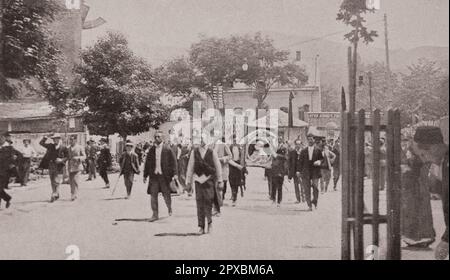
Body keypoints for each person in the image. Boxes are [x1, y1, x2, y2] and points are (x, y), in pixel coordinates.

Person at [410, 126, 448, 260]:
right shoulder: (443, 163)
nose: (424, 160)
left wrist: (446, 240)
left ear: (433, 148)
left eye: (422, 155)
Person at [400, 136, 436, 248]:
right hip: (421, 186)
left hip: (414, 185)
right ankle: (424, 236)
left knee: (413, 210)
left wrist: (405, 167)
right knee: (422, 210)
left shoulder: (416, 151)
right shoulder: (428, 151)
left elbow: (412, 167)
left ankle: (415, 238)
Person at [186, 136, 223, 235]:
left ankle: (209, 223)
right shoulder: (194, 152)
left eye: (204, 139)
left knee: (208, 202)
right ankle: (201, 226)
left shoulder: (212, 152)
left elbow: (218, 166)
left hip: (208, 180)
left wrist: (220, 180)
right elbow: (190, 167)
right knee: (199, 203)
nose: (202, 141)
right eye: (200, 139)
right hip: (198, 180)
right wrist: (188, 182)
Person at [143, 131, 178, 222]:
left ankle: (169, 207)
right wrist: (145, 175)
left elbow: (174, 162)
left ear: (162, 138)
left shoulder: (168, 149)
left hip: (164, 177)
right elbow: (148, 163)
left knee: (166, 195)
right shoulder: (151, 149)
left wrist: (175, 174)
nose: (157, 138)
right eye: (155, 137)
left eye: (159, 136)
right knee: (153, 195)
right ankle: (155, 214)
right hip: (154, 176)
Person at [297, 134, 324, 211]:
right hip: (306, 172)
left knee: (315, 188)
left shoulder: (318, 150)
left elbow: (322, 159)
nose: (310, 141)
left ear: (314, 140)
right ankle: (309, 205)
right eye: (308, 139)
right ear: (307, 141)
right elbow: (300, 162)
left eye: (311, 139)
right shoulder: (303, 151)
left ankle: (315, 202)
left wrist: (319, 161)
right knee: (306, 189)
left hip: (315, 172)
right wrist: (298, 171)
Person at [39, 133, 69, 202]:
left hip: (59, 166)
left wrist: (62, 160)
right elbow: (41, 143)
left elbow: (68, 156)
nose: (55, 140)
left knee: (57, 180)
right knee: (52, 180)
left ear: (59, 139)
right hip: (51, 165)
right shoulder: (50, 146)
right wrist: (46, 137)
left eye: (57, 139)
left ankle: (54, 193)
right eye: (54, 139)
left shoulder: (64, 147)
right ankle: (56, 193)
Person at [0, 133, 22, 208]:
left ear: (4, 139)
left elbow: (20, 155)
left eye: (1, 138)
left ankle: (7, 199)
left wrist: (14, 164)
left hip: (5, 173)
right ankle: (7, 198)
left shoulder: (9, 148)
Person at [211, 137, 231, 216]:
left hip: (221, 170)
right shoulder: (210, 146)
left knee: (218, 190)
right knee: (212, 190)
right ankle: (214, 208)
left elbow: (230, 156)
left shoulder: (223, 145)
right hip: (211, 171)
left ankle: (217, 209)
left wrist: (222, 159)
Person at [66, 135, 85, 201]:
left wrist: (78, 158)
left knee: (75, 180)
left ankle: (75, 194)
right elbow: (66, 157)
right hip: (70, 167)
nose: (71, 141)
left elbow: (84, 156)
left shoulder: (80, 147)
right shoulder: (68, 148)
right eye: (70, 140)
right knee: (71, 181)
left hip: (77, 166)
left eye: (72, 139)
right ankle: (72, 193)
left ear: (75, 140)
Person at [228, 140, 246, 207]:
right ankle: (233, 193)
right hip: (232, 165)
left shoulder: (240, 148)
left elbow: (243, 158)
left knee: (237, 182)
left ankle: (234, 198)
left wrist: (243, 167)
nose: (235, 141)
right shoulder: (230, 147)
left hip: (239, 165)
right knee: (231, 180)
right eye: (234, 139)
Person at [288, 139, 305, 203]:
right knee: (296, 186)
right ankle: (298, 199)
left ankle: (304, 198)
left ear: (301, 144)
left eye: (299, 144)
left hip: (302, 172)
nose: (298, 145)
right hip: (294, 172)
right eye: (297, 144)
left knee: (302, 185)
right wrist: (289, 175)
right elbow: (290, 164)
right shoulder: (292, 152)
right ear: (295, 144)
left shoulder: (304, 152)